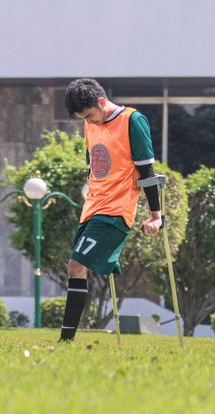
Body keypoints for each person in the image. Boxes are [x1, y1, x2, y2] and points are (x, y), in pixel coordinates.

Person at [59, 78, 163, 342]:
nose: (89, 121)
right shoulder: (89, 125)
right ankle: (67, 340)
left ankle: (65, 341)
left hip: (116, 211)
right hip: (92, 209)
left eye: (90, 115)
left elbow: (147, 170)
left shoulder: (132, 121)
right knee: (76, 267)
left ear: (101, 102)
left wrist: (156, 216)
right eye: (83, 118)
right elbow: (93, 166)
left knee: (76, 265)